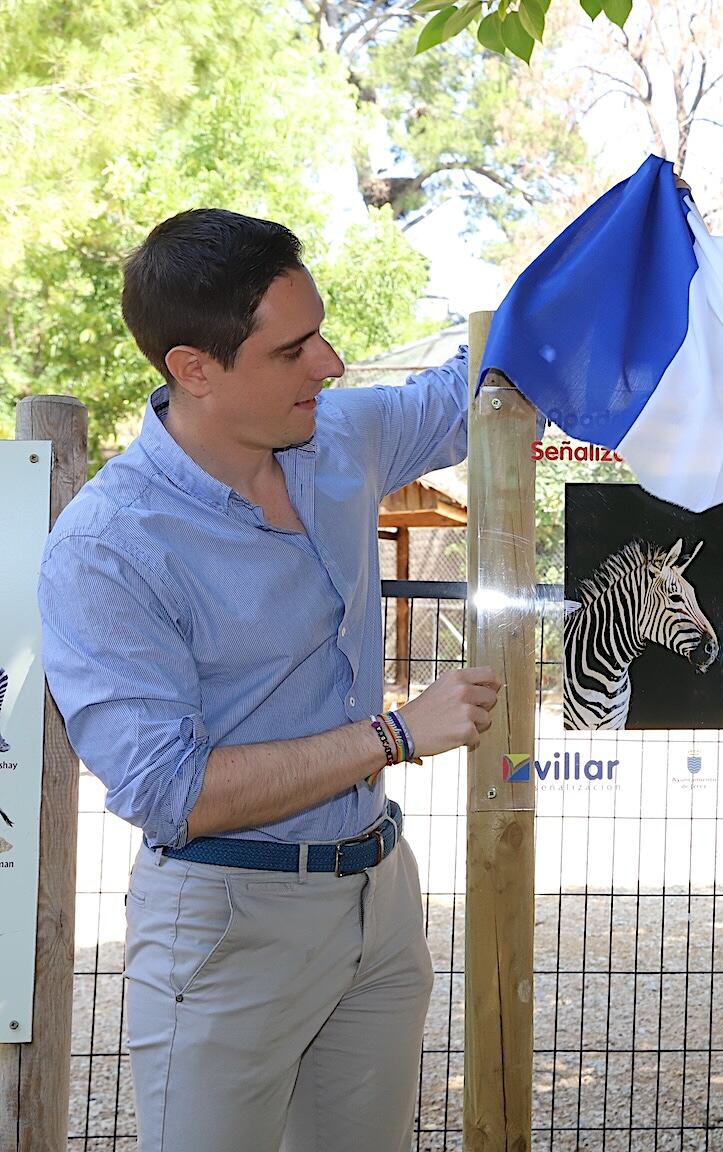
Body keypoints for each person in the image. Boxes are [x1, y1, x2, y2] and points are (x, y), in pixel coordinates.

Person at [38, 209, 500, 1152]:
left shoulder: (344, 438)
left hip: (379, 900)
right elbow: (171, 791)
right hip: (226, 928)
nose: (330, 364)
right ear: (194, 368)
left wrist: (603, 266)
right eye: (295, 350)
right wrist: (394, 736)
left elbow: (477, 386)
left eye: (320, 332)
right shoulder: (108, 548)